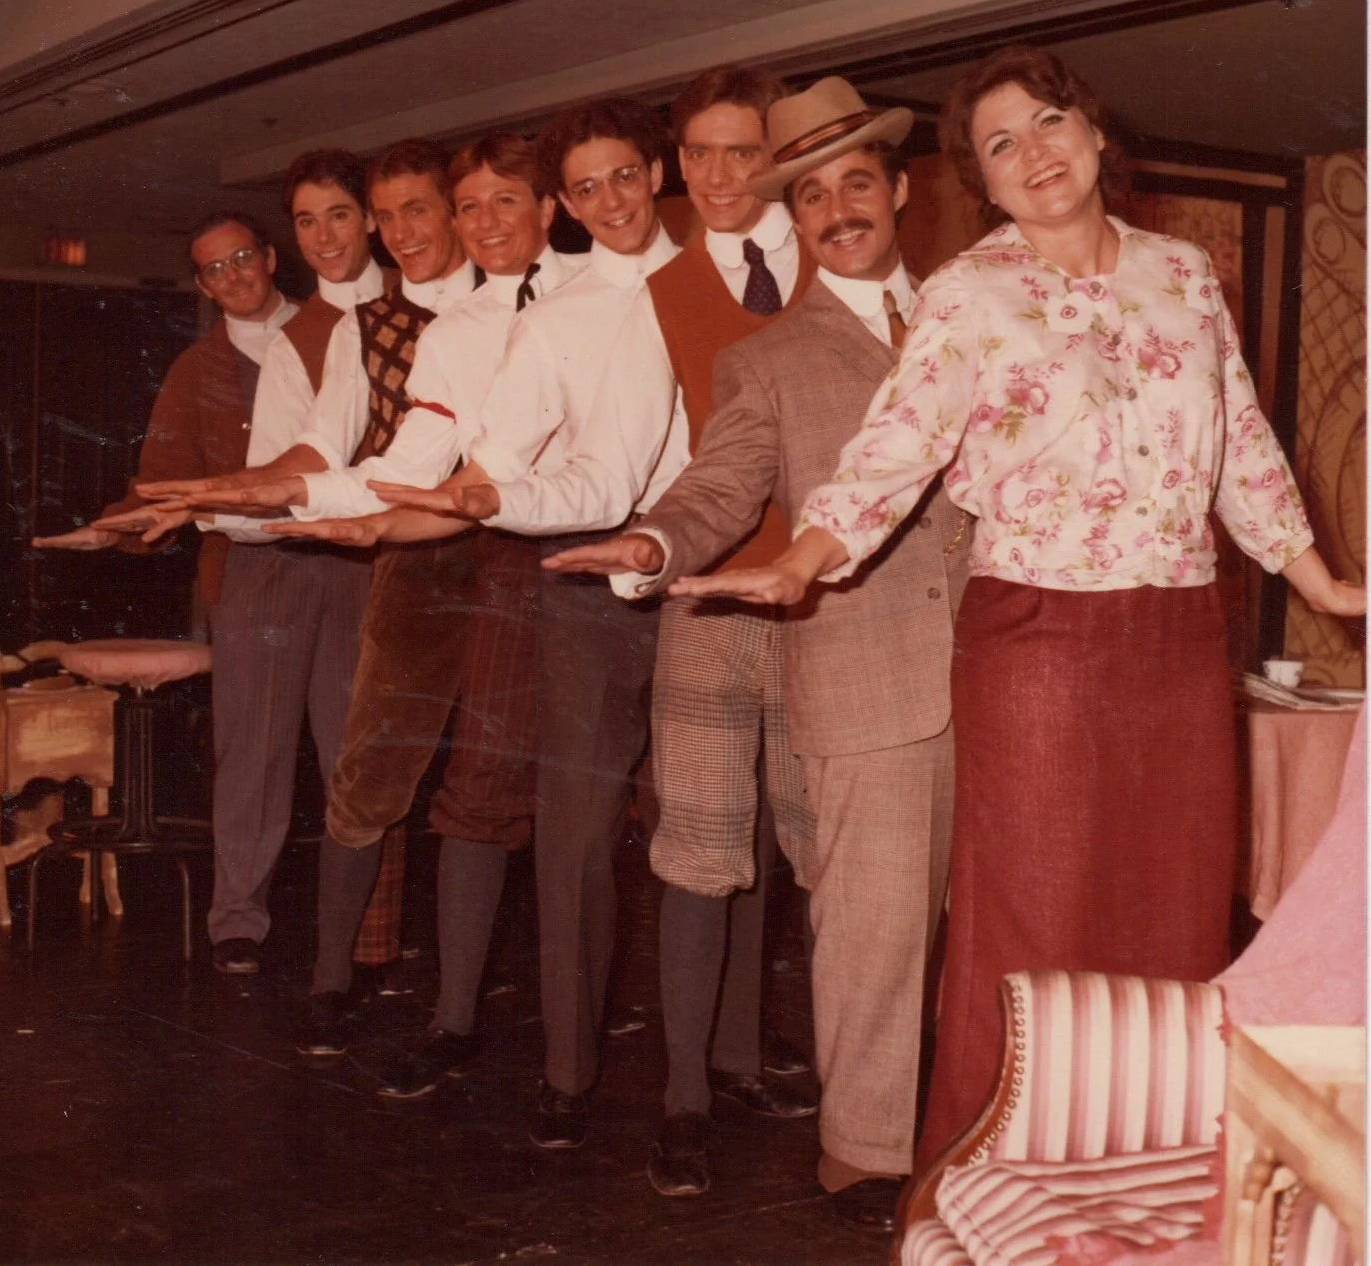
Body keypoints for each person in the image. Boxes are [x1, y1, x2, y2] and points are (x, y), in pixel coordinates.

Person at [663, 45, 1367, 1172]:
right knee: (1037, 914)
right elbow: (892, 450)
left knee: (1173, 907)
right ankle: (1008, 1172)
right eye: (1000, 144)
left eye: (1047, 123)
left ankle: (1148, 1161)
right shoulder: (965, 294)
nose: (1032, 153)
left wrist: (1315, 576)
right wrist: (804, 557)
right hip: (1036, 639)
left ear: (1093, 135)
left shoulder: (1183, 273)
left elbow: (1238, 442)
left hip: (1178, 638)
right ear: (978, 183)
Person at [370, 66, 823, 1196]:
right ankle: (569, 1072)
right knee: (575, 832)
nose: (612, 198)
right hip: (580, 575)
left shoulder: (717, 272)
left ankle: (707, 1071)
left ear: (656, 174)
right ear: (564, 203)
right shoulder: (559, 311)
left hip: (707, 574)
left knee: (720, 820)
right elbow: (513, 453)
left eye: (627, 174)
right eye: (587, 185)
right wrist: (470, 492)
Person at [545, 78, 965, 1224]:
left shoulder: (976, 313)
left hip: (992, 659)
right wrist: (650, 539)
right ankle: (787, 1127)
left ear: (898, 189)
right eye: (810, 190)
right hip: (794, 629)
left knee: (952, 915)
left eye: (854, 183)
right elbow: (717, 479)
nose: (835, 208)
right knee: (769, 878)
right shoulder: (766, 351)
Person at [173, 134, 585, 1092]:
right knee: (369, 766)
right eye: (387, 216)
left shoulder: (566, 302)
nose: (403, 234)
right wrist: (229, 492)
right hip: (412, 559)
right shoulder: (370, 327)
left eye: (419, 212)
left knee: (489, 790)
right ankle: (329, 981)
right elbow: (328, 449)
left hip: (528, 561)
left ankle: (453, 1018)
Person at [36, 200, 373, 976]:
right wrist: (114, 524)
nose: (235, 275)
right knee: (251, 752)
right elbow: (160, 477)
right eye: (215, 268)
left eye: (244, 257)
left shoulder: (336, 327)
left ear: (269, 256)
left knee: (355, 753)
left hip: (352, 562)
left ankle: (363, 929)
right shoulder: (197, 370)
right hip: (252, 571)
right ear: (203, 284)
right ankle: (237, 920)